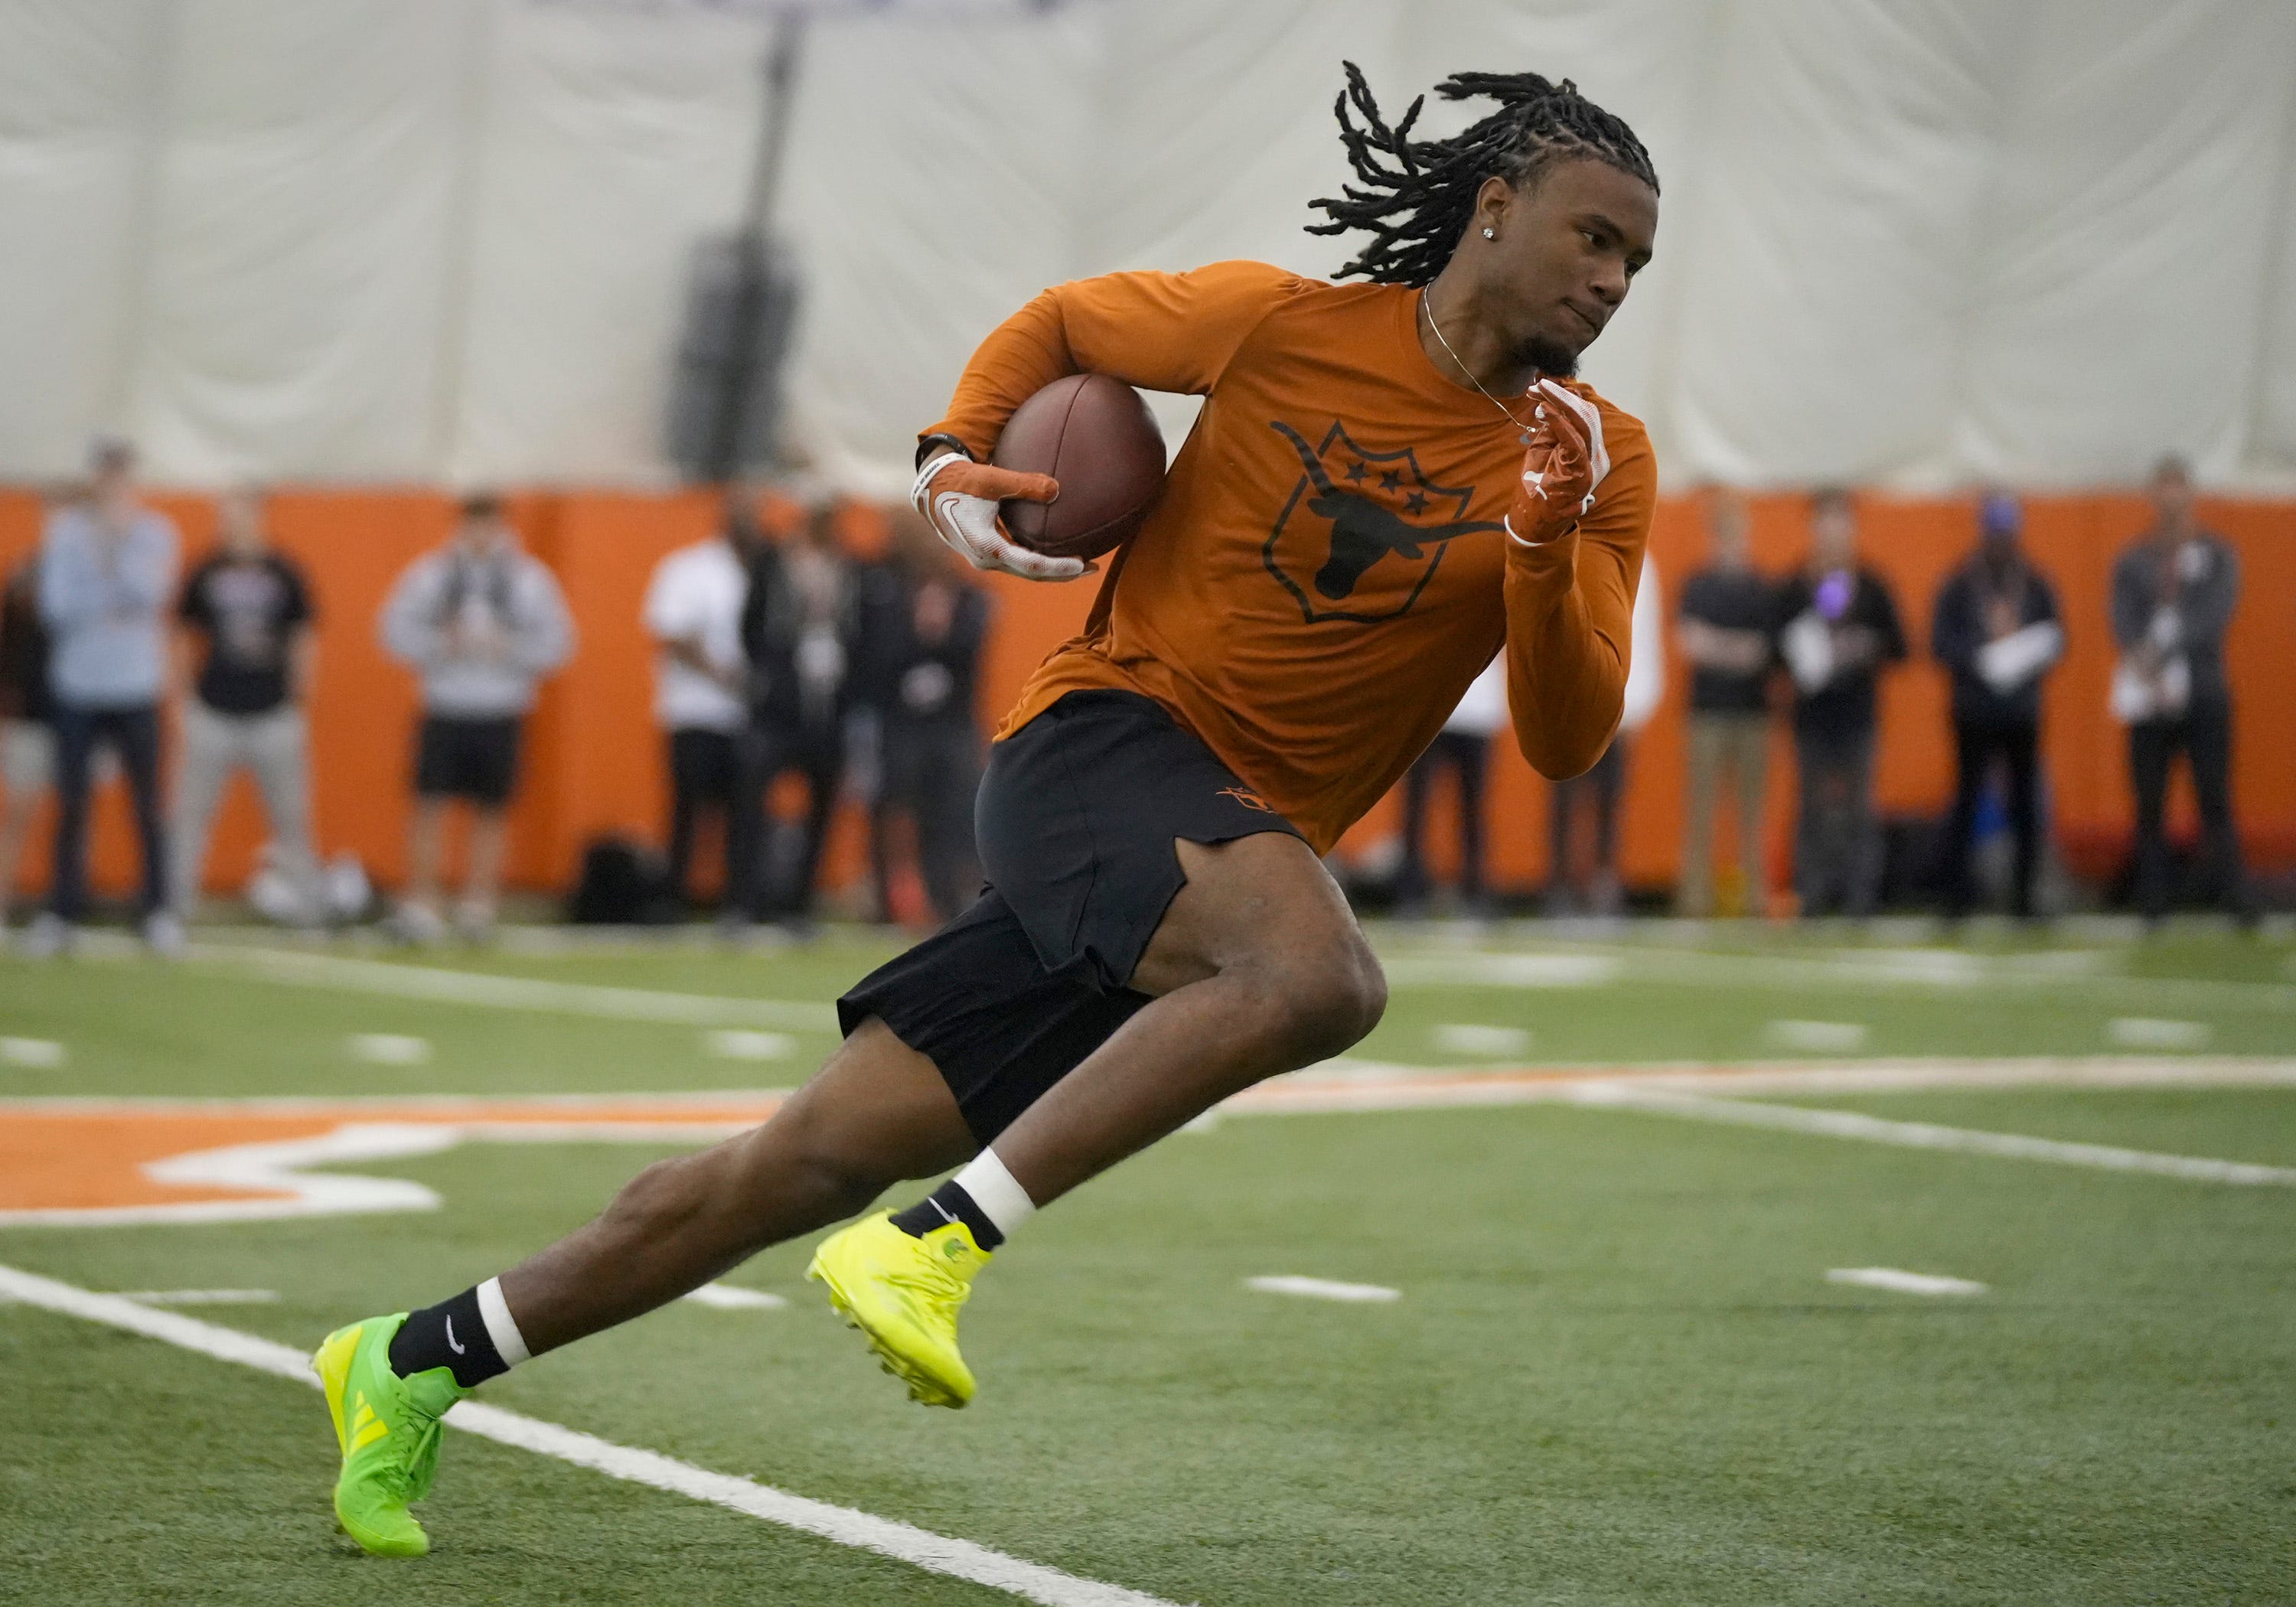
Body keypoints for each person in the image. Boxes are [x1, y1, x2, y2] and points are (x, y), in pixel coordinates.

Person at [315, 63, 1660, 1558]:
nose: (1612, 281)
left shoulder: (1600, 460)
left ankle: (406, 1360)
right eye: (1594, 237)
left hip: (1195, 866)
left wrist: (1545, 542)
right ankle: (938, 1246)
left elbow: (1565, 732)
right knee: (1318, 978)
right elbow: (1070, 324)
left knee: (795, 1168)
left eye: (1635, 263)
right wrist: (953, 451)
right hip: (1103, 752)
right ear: (1493, 207)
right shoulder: (1285, 324)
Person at [379, 494, 574, 943]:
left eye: (489, 524)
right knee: (430, 804)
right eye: (473, 524)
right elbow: (391, 631)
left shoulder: (527, 579)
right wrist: (439, 643)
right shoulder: (434, 575)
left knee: (493, 808)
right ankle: (424, 902)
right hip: (445, 703)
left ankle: (478, 903)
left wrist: (511, 649)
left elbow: (560, 644)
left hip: (501, 706)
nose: (481, 534)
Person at [26, 439, 180, 957]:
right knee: (71, 802)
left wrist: (115, 556)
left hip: (136, 686)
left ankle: (157, 909)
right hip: (79, 687)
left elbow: (152, 597)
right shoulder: (67, 532)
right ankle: (63, 910)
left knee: (147, 805)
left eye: (122, 475)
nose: (113, 485)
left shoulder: (155, 532)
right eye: (105, 475)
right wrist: (108, 588)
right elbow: (56, 607)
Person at [168, 487, 322, 924]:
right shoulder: (204, 570)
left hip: (272, 711)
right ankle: (174, 908)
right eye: (226, 514)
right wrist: (181, 702)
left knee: (292, 817)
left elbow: (302, 638)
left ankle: (307, 910)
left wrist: (298, 701)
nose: (232, 523)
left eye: (240, 513)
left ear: (258, 516)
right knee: (189, 816)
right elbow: (182, 635)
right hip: (213, 710)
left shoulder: (284, 571)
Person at [2110, 456, 2251, 924]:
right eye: (2163, 486)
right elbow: (2121, 617)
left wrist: (2164, 647)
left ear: (2191, 494)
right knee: (2150, 801)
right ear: (2152, 495)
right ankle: (2153, 902)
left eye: (2179, 487)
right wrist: (2142, 657)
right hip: (2150, 696)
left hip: (2203, 691)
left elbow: (2214, 615)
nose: (2171, 497)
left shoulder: (2216, 554)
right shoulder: (2134, 559)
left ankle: (2235, 897)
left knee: (2214, 795)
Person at [1930, 492, 2063, 919]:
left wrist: (2023, 655)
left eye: (2007, 533)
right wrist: (1979, 658)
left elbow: (2056, 637)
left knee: (2024, 804)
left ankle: (2024, 898)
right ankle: (1957, 898)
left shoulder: (2034, 581)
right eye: (1995, 533)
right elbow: (1939, 641)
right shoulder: (1962, 581)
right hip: (1974, 708)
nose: (2001, 542)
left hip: (2020, 710)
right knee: (1967, 801)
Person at [859, 506, 993, 925]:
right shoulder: (884, 589)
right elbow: (874, 654)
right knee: (891, 807)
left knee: (951, 812)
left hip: (951, 722)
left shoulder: (968, 595)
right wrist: (918, 630)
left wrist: (941, 631)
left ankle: (949, 901)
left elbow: (972, 650)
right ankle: (885, 904)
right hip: (899, 723)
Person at [1776, 489, 1906, 918]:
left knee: (1860, 809)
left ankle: (1859, 899)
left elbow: (1901, 646)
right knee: (1811, 808)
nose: (1832, 534)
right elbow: (1773, 649)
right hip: (1812, 716)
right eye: (1825, 524)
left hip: (1857, 714)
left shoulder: (1870, 585)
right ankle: (1811, 896)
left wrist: (1864, 646)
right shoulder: (1798, 584)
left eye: (1840, 524)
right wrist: (1803, 653)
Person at [739, 500, 859, 925]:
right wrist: (768, 677)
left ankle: (800, 903)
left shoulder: (847, 567)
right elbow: (752, 625)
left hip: (828, 701)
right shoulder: (776, 564)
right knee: (756, 799)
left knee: (821, 803)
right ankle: (748, 900)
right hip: (781, 701)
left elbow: (856, 629)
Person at [643, 490, 760, 916]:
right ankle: (673, 897)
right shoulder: (691, 569)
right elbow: (674, 634)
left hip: (747, 716)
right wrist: (725, 675)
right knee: (688, 808)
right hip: (695, 709)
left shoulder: (763, 570)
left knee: (743, 812)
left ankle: (736, 900)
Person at [1674, 488, 1775, 917]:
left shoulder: (1760, 588)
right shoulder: (1698, 584)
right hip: (1707, 714)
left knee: (1753, 812)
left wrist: (1718, 647)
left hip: (1753, 714)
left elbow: (1764, 649)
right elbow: (1689, 642)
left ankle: (1755, 899)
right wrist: (1734, 651)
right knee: (1701, 811)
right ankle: (1695, 901)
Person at [1544, 551, 1662, 914]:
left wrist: (1636, 705)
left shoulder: (1641, 561)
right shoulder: (1569, 548)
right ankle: (1560, 885)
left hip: (1615, 708)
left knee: (1609, 804)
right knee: (1564, 803)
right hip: (1569, 706)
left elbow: (1643, 638)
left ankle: (1603, 884)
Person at [1396, 653, 1505, 916]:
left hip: (1475, 710)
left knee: (1473, 809)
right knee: (1416, 807)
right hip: (1429, 702)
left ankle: (1474, 893)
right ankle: (1410, 893)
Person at [0, 544, 55, 933]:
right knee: (18, 815)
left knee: (71, 818)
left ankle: (61, 908)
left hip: (79, 718)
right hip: (30, 720)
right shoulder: (26, 578)